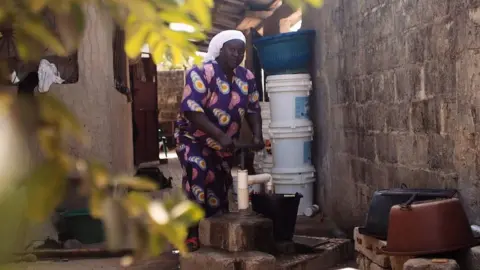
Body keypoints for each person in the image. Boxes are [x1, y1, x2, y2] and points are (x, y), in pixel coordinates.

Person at [174, 30, 264, 251]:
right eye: (232, 50)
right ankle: (191, 233)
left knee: (218, 186)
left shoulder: (247, 77)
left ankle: (214, 233)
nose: (236, 54)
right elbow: (192, 111)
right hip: (193, 138)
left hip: (224, 144)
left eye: (240, 51)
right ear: (220, 50)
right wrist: (220, 135)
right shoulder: (201, 73)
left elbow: (253, 108)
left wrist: (258, 134)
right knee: (199, 172)